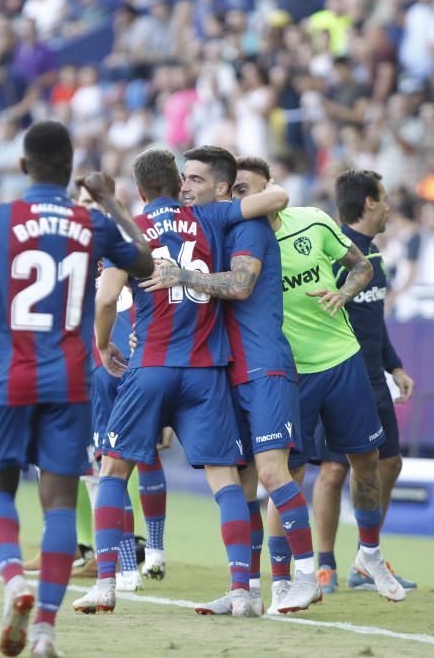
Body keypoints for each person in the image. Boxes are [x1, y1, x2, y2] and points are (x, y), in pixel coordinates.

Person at [0, 121, 153, 657]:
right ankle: (45, 633)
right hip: (69, 380)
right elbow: (148, 263)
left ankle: (14, 581)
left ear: (21, 166)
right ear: (70, 165)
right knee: (59, 503)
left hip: (8, 376)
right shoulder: (90, 223)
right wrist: (113, 205)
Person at [72, 147, 289, 618]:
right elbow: (273, 200)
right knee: (227, 483)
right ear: (177, 183)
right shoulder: (209, 216)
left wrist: (103, 343)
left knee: (113, 471)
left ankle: (107, 583)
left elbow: (107, 298)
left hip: (149, 366)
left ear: (139, 190)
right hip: (206, 372)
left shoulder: (130, 230)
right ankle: (240, 591)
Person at [0, 175, 172, 588]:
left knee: (107, 465)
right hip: (93, 365)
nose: (85, 208)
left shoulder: (111, 242)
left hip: (118, 362)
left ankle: (122, 556)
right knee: (85, 465)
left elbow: (134, 291)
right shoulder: (79, 247)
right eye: (80, 201)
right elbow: (34, 303)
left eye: (90, 202)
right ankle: (91, 549)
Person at [139, 146, 319, 616]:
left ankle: (306, 575)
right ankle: (246, 591)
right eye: (184, 179)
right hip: (226, 372)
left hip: (263, 366)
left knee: (273, 473)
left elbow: (239, 286)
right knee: (239, 490)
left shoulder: (247, 226)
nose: (185, 188)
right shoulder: (208, 229)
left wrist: (178, 275)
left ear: (221, 188)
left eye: (195, 180)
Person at [231, 157, 406, 604]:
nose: (243, 197)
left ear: (270, 186)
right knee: (285, 475)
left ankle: (369, 554)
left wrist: (343, 292)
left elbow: (360, 267)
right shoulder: (235, 240)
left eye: (249, 187)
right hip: (288, 374)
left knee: (366, 461)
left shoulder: (312, 221)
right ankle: (284, 581)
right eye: (235, 191)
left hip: (343, 360)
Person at [307, 169, 418, 594]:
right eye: (384, 198)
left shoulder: (372, 255)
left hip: (375, 376)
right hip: (342, 376)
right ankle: (324, 565)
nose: (389, 205)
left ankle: (364, 559)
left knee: (389, 464)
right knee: (334, 470)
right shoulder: (334, 254)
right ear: (369, 203)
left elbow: (375, 320)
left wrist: (396, 367)